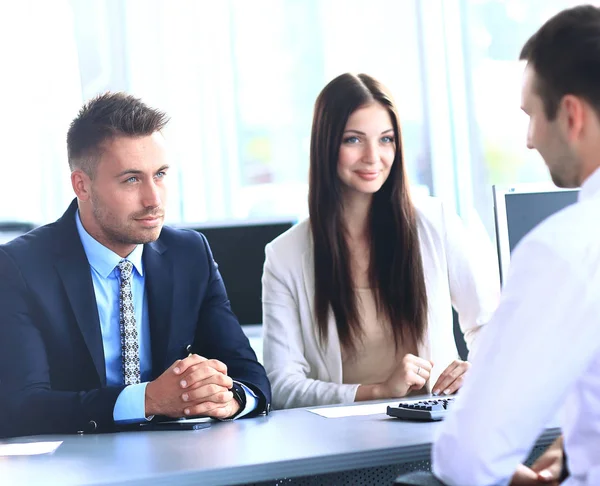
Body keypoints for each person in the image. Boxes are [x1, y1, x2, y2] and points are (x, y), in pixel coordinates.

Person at [0, 93, 271, 437]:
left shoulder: (190, 254)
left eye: (160, 174)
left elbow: (249, 375)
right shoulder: (19, 267)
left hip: (183, 461)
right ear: (82, 185)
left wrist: (229, 399)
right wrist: (146, 400)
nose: (153, 199)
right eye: (131, 179)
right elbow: (21, 407)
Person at [432, 5, 600, 485]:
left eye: (531, 115)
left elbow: (468, 459)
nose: (528, 141)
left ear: (571, 115)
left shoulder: (565, 249)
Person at [261, 73, 500, 410]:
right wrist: (378, 390)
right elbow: (282, 385)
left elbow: (489, 323)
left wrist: (476, 371)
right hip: (339, 444)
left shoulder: (435, 223)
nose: (373, 156)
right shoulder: (285, 255)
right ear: (326, 145)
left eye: (386, 139)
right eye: (354, 140)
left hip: (433, 428)